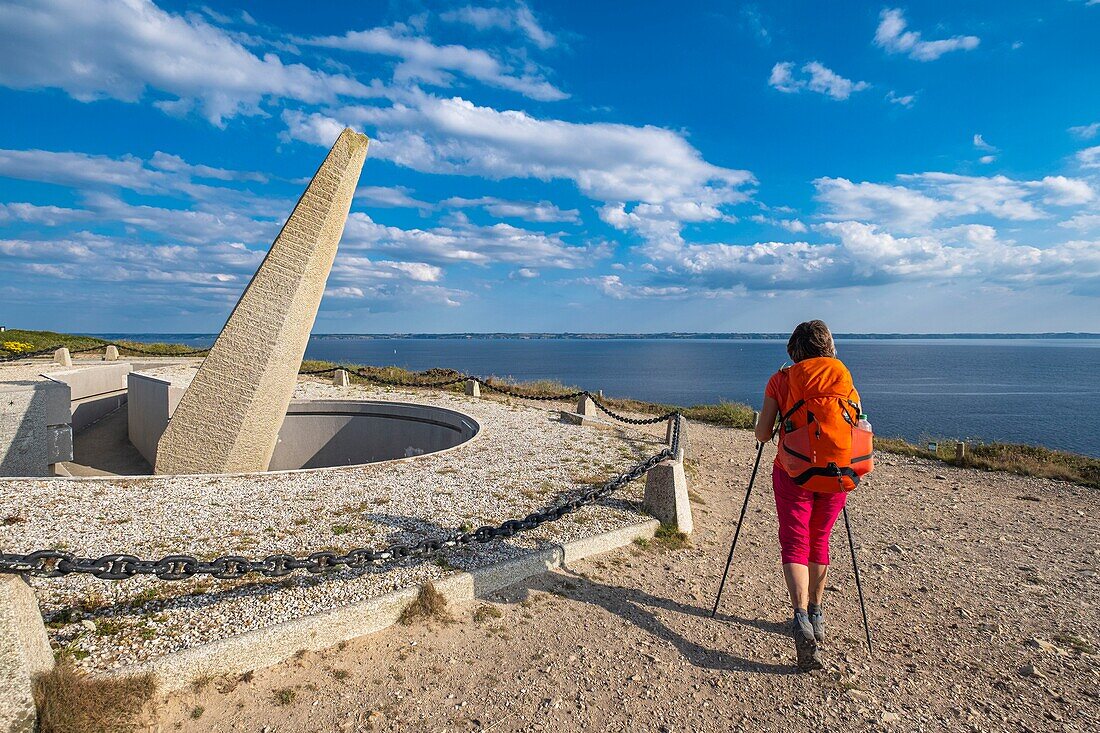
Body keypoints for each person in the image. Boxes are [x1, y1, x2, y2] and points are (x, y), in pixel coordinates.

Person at [754, 320, 862, 672]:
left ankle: (800, 618)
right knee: (820, 539)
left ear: (794, 348)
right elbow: (856, 427)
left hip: (793, 472)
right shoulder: (843, 379)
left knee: (795, 541)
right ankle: (817, 614)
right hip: (838, 473)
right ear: (829, 346)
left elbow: (761, 433)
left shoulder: (782, 379)